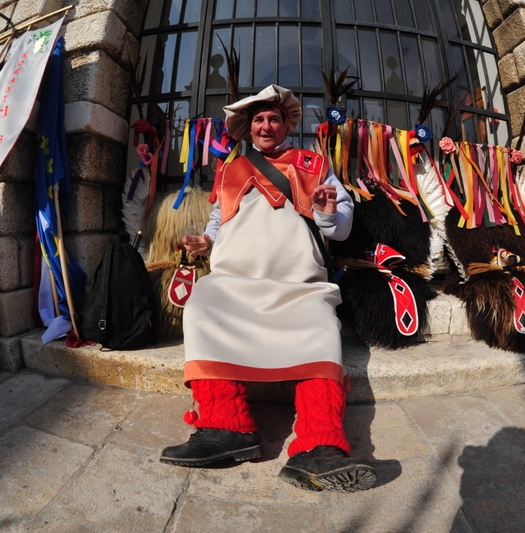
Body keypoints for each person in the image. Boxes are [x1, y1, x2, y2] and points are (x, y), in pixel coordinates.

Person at [159, 85, 376, 493]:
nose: (266, 126)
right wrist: (205, 241)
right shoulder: (229, 170)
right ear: (248, 127)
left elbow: (342, 226)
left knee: (320, 331)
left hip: (300, 287)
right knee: (202, 306)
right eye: (258, 119)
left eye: (273, 118)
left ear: (286, 124)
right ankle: (226, 426)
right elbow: (218, 221)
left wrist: (328, 213)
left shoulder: (315, 164)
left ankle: (319, 445)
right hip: (233, 284)